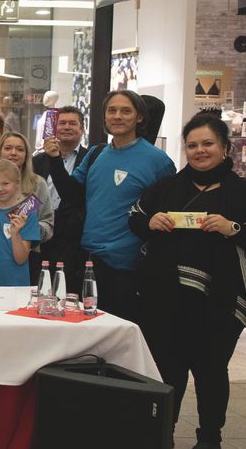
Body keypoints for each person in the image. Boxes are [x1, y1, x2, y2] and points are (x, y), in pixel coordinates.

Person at [129, 114, 246, 449]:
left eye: (207, 144)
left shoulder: (245, 193)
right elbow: (135, 216)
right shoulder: (169, 187)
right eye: (193, 145)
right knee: (169, 367)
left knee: (211, 368)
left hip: (220, 299)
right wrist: (149, 221)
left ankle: (210, 439)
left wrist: (234, 229)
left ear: (225, 147)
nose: (199, 151)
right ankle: (162, 433)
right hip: (166, 296)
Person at [47, 90, 175, 322]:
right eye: (112, 110)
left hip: (128, 268)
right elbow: (72, 195)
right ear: (104, 117)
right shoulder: (96, 153)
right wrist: (55, 160)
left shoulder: (159, 162)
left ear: (139, 117)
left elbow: (164, 213)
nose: (117, 116)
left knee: (122, 338)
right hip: (88, 262)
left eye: (126, 111)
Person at [33, 106, 90, 288]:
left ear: (81, 129)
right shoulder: (37, 161)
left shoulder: (90, 159)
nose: (67, 127)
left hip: (73, 239)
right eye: (62, 123)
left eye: (73, 123)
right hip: (41, 233)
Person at [0, 132, 55, 282]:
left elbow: (48, 225)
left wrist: (29, 229)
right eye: (8, 148)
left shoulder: (38, 184)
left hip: (28, 256)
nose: (13, 153)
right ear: (0, 151)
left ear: (27, 155)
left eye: (20, 149)